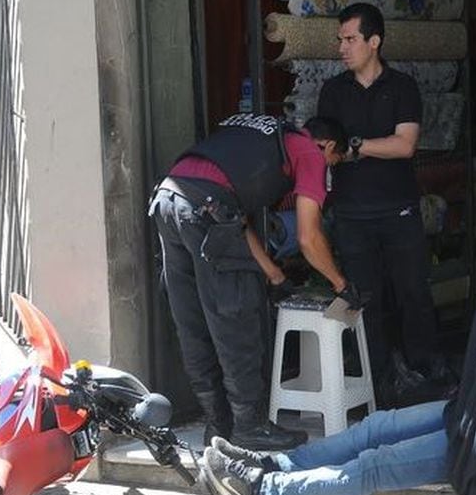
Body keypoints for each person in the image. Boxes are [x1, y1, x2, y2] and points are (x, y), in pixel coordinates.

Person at [199, 231, 476, 495]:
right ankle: (276, 463)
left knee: (377, 463)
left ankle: (260, 490)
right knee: (377, 426)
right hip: (475, 415)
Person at [149, 114, 364, 452]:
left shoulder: (266, 135)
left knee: (193, 321)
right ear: (330, 147)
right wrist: (340, 283)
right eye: (333, 164)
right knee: (236, 316)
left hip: (168, 199)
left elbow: (232, 219)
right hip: (204, 208)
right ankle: (250, 426)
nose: (327, 173)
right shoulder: (310, 153)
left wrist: (275, 275)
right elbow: (309, 237)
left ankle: (218, 425)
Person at [315, 2, 448, 403]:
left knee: (413, 293)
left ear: (375, 42)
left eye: (351, 39)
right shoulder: (332, 91)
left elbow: (405, 145)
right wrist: (365, 147)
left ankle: (427, 378)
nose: (343, 47)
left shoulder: (402, 87)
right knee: (364, 301)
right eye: (340, 40)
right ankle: (377, 387)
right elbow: (327, 149)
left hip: (399, 211)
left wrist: (356, 146)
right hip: (352, 213)